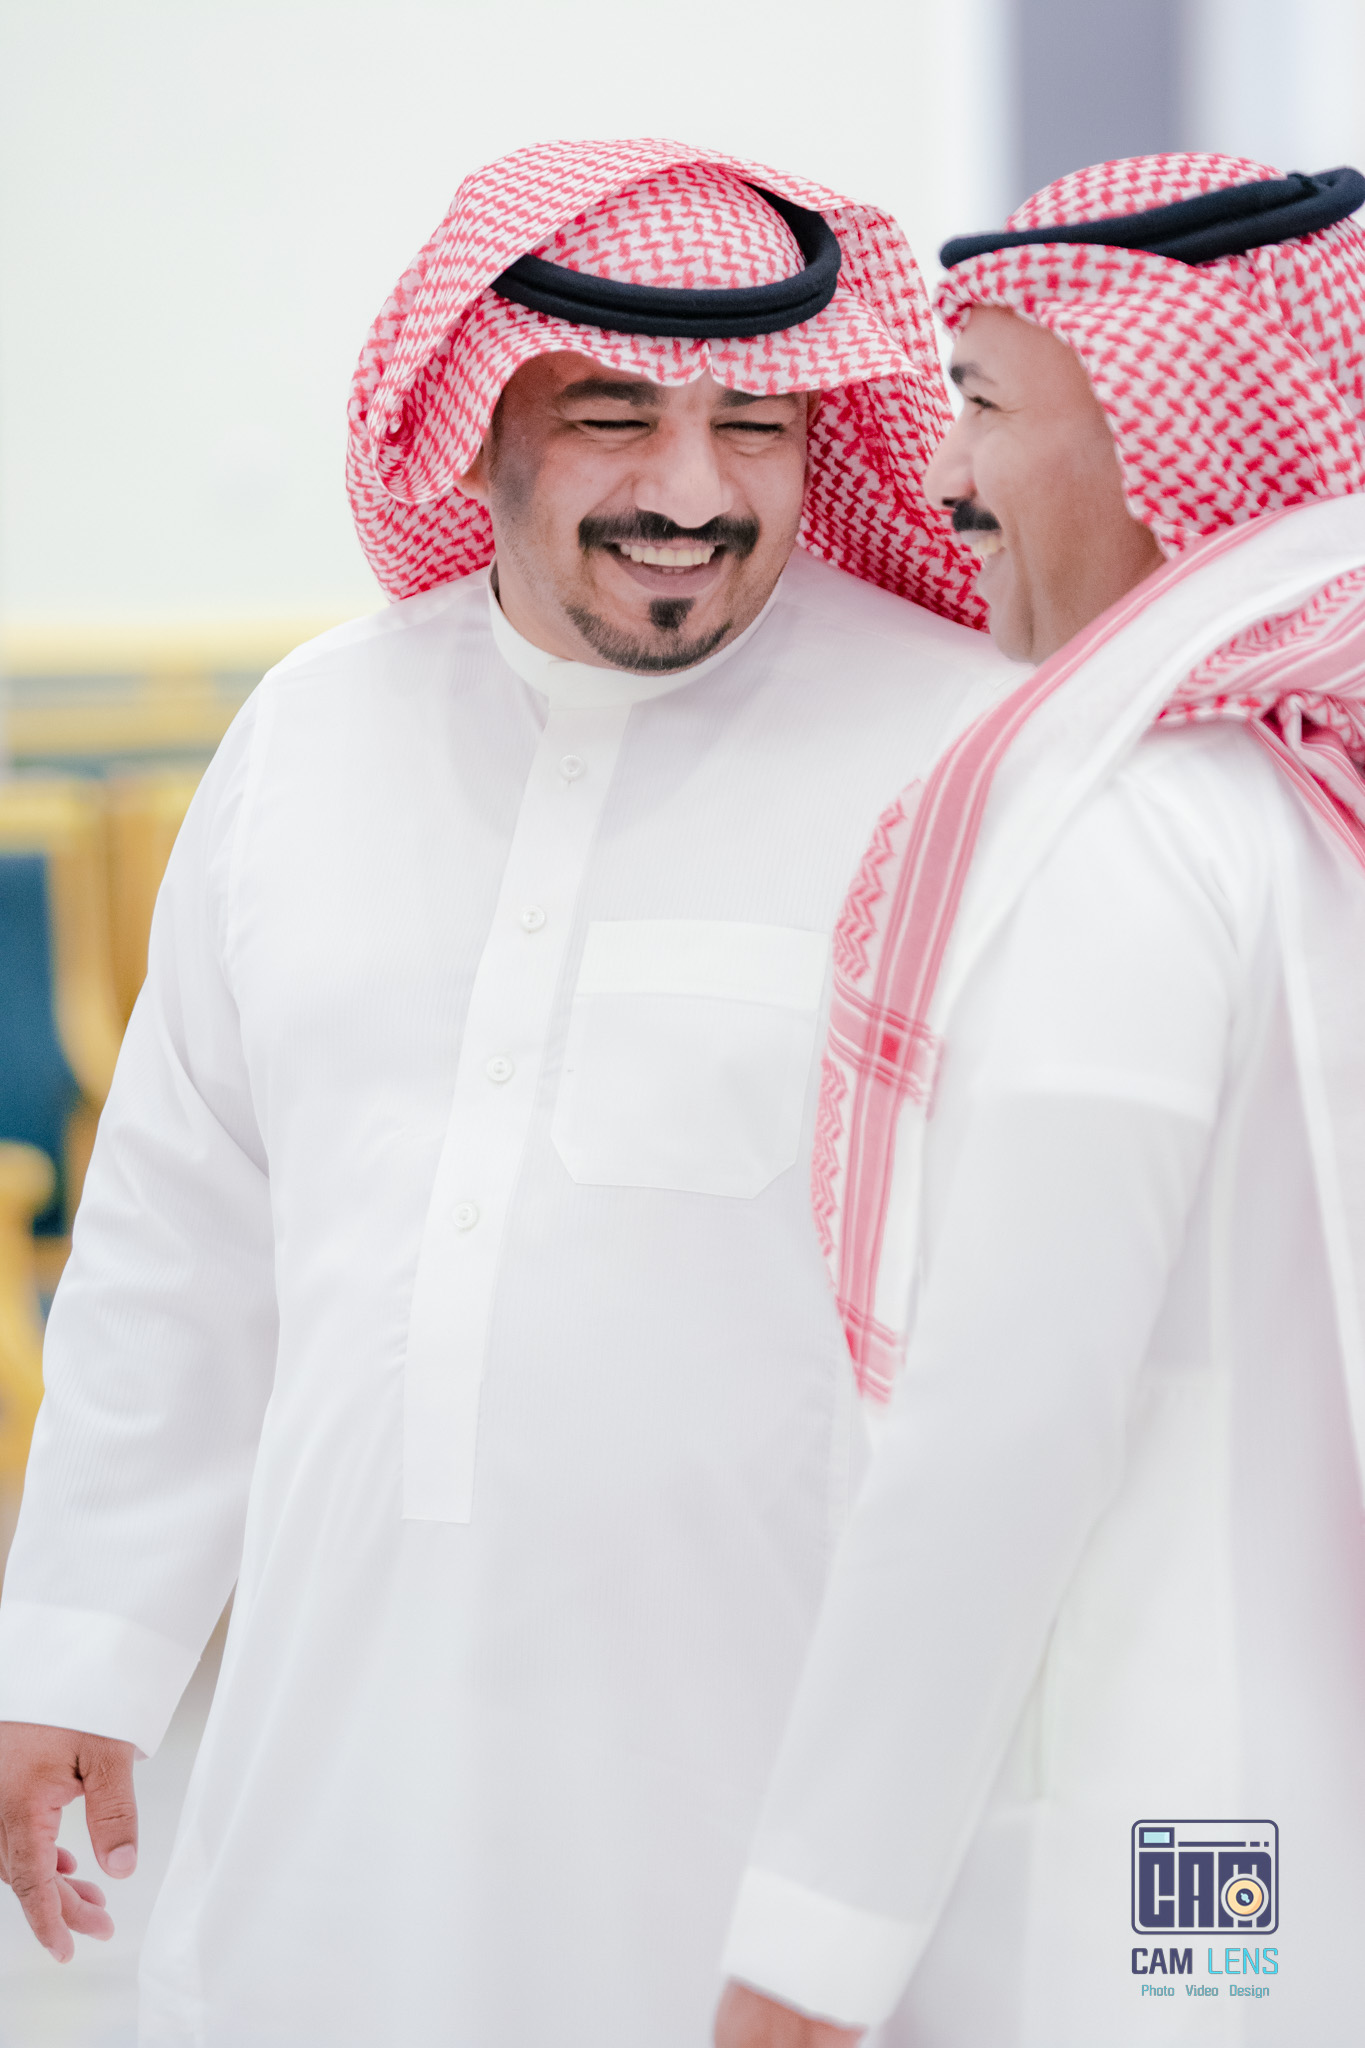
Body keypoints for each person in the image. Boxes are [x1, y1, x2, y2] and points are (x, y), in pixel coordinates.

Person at [0, 140, 1007, 2046]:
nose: (691, 494)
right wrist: (76, 1650)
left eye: (756, 426)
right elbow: (181, 1240)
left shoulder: (956, 754)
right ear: (470, 427)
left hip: (765, 1779)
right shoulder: (310, 735)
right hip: (343, 1755)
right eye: (613, 416)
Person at [716, 155, 1365, 2047]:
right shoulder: (1310, 792)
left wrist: (807, 1952)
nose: (941, 475)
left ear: (1171, 435)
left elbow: (1000, 1426)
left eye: (986, 403)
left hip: (1159, 1828)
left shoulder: (1144, 831)